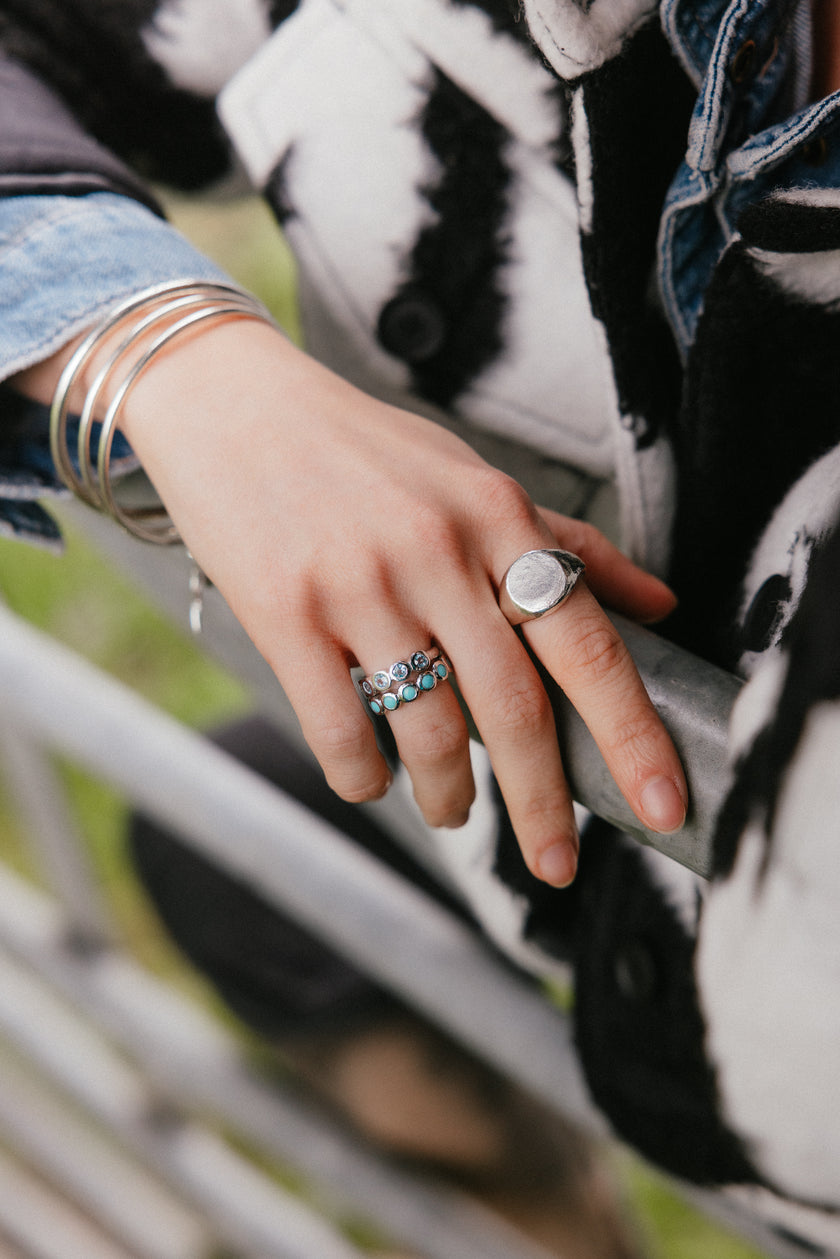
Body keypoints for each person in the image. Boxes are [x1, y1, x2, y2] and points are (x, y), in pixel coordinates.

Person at [2, 0, 840, 1252]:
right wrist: (180, 359)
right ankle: (552, 1222)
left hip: (789, 1061)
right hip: (555, 865)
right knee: (234, 857)